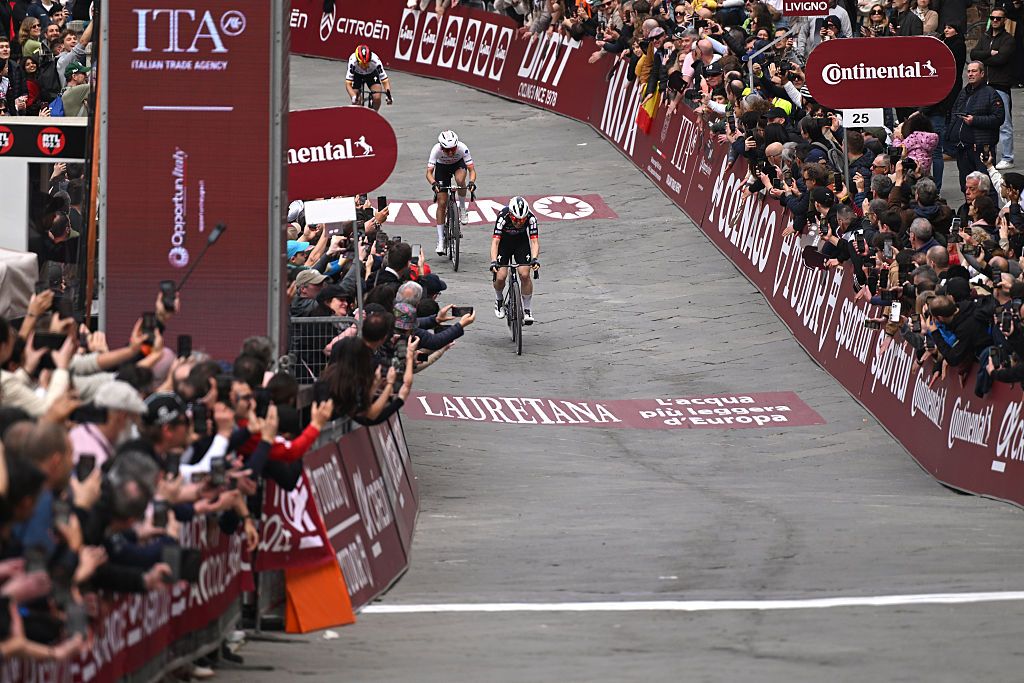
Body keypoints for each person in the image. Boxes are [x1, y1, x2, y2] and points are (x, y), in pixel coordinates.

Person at [947, 61, 1004, 193]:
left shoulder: (991, 93)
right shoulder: (964, 92)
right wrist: (951, 133)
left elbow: (998, 118)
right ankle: (970, 211)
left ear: (982, 73)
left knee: (986, 187)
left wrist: (975, 120)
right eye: (969, 71)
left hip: (980, 148)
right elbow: (954, 113)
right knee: (966, 186)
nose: (970, 74)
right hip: (962, 148)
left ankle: (990, 211)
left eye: (974, 71)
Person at [970, 6, 1015, 170]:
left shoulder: (1008, 39)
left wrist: (985, 56)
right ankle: (990, 155)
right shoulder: (985, 36)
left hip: (1000, 85)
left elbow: (1001, 59)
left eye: (998, 18)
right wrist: (990, 53)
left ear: (1004, 21)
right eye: (992, 18)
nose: (995, 20)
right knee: (986, 120)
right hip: (985, 85)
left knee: (1004, 123)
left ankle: (1008, 156)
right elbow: (974, 54)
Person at [489, 196, 540, 324]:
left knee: (524, 274)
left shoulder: (531, 218)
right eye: (516, 220)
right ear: (511, 215)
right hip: (504, 244)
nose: (519, 223)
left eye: (522, 220)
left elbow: (534, 241)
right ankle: (499, 299)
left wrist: (534, 259)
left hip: (521, 244)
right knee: (500, 277)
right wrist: (494, 261)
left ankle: (527, 309)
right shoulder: (503, 216)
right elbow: (495, 242)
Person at [426, 130, 477, 255]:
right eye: (446, 150)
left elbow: (472, 170)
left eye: (452, 149)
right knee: (442, 203)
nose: (450, 153)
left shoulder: (462, 148)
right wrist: (434, 183)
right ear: (441, 147)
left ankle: (463, 209)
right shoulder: (435, 150)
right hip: (441, 168)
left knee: (460, 180)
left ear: (456, 146)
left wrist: (471, 182)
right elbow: (428, 173)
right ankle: (441, 241)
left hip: (458, 165)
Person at [344, 44, 392, 111]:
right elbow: (348, 84)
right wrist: (353, 96)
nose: (364, 67)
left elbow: (385, 81)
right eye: (362, 64)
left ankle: (374, 115)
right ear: (357, 61)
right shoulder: (352, 61)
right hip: (357, 74)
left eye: (366, 63)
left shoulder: (376, 61)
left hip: (371, 73)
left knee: (377, 97)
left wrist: (388, 95)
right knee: (356, 101)